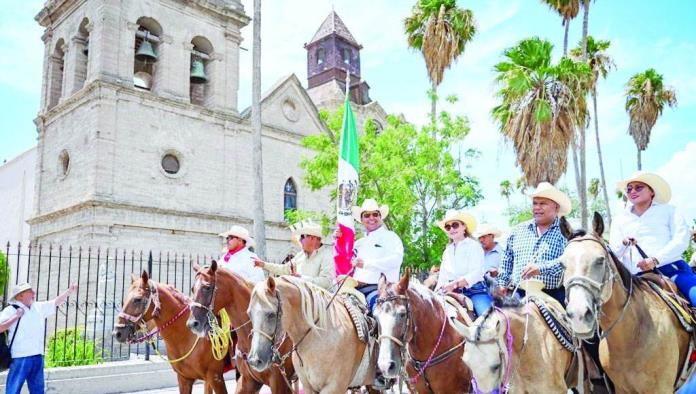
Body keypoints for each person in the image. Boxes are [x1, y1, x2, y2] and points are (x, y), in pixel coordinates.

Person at [610, 171, 696, 304]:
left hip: (670, 270)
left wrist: (656, 260)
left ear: (652, 192)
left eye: (639, 187)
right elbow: (613, 253)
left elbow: (681, 240)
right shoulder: (619, 219)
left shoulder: (670, 211)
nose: (632, 191)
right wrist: (623, 243)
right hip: (632, 277)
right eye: (629, 189)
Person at [498, 182, 570, 306]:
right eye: (535, 203)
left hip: (552, 295)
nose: (537, 207)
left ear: (556, 207)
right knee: (496, 322)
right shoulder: (518, 230)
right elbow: (507, 258)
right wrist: (502, 283)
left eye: (543, 204)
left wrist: (540, 268)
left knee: (568, 323)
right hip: (519, 293)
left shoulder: (566, 232)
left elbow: (567, 261)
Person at [0, 282, 77, 394]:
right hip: (20, 357)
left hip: (37, 356)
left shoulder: (38, 307)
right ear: (20, 295)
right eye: (29, 291)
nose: (33, 293)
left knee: (38, 391)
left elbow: (55, 302)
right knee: (13, 390)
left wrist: (69, 291)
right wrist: (16, 316)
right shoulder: (10, 310)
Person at [350, 198, 404, 311]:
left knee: (381, 317)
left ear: (380, 217)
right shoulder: (358, 243)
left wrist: (366, 264)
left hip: (381, 290)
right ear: (361, 219)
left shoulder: (391, 237)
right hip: (354, 289)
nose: (371, 218)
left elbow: (396, 260)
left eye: (375, 214)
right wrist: (339, 241)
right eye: (367, 215)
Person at [435, 210, 492, 316]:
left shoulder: (474, 246)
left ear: (464, 227)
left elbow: (476, 273)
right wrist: (436, 292)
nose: (451, 229)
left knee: (490, 323)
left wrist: (455, 284)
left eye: (455, 225)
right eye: (448, 227)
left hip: (475, 291)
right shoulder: (447, 251)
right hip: (450, 293)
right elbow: (442, 277)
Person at [255, 220, 336, 289]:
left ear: (312, 238)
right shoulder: (300, 255)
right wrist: (263, 264)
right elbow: (284, 269)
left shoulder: (327, 255)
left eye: (302, 237)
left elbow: (326, 282)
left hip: (319, 304)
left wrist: (301, 278)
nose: (300, 240)